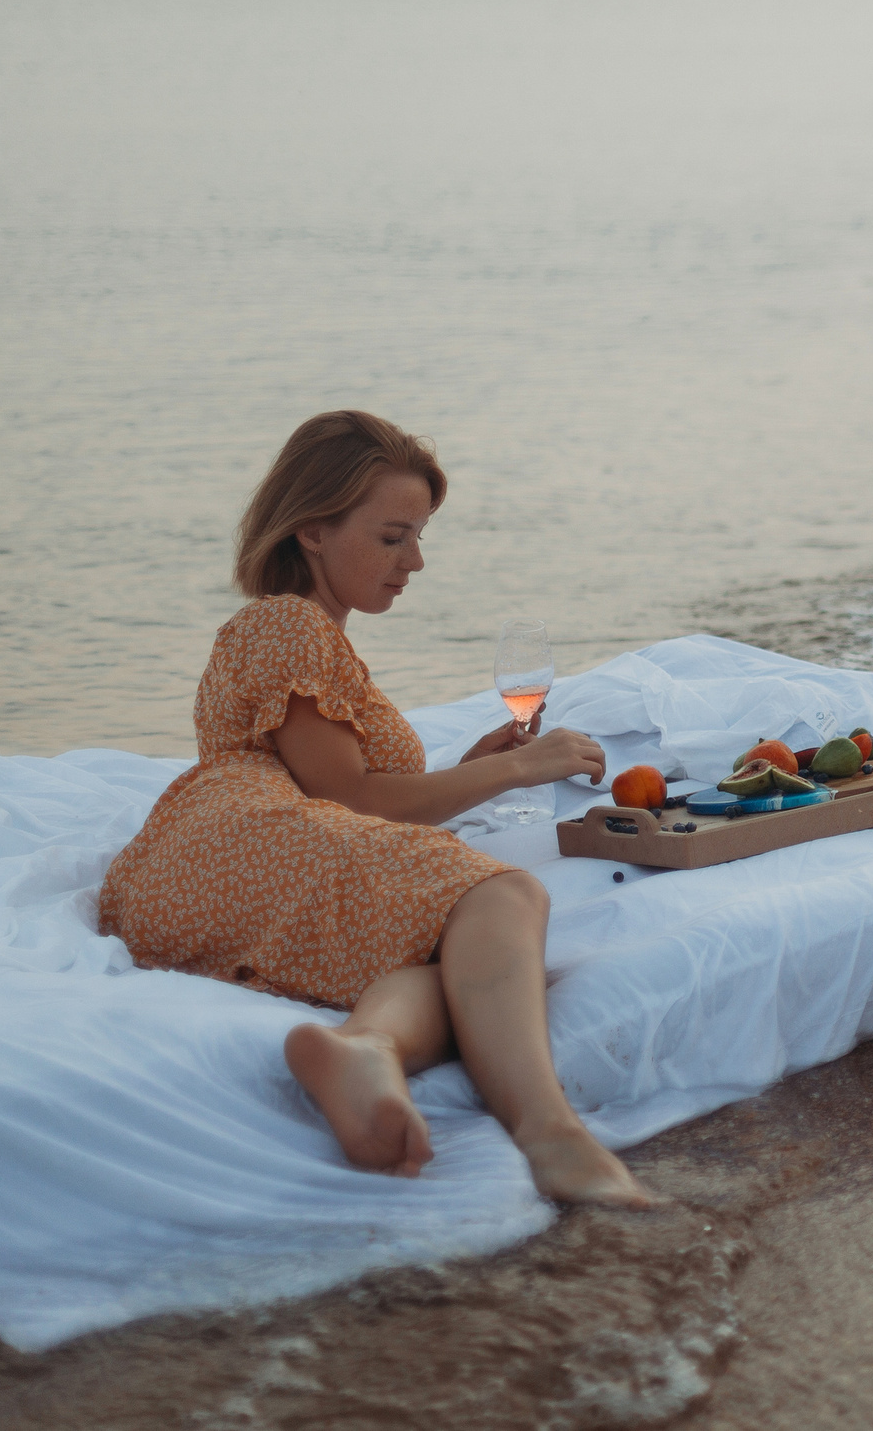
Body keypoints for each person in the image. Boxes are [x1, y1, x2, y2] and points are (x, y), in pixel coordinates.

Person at [99, 410, 653, 1208]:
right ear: (313, 530)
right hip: (230, 833)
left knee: (451, 963)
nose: (415, 561)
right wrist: (525, 766)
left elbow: (352, 807)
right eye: (394, 536)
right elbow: (344, 797)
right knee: (506, 896)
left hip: (203, 871)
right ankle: (551, 1133)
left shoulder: (309, 638)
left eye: (419, 536)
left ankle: (367, 1048)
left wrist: (472, 771)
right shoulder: (287, 623)